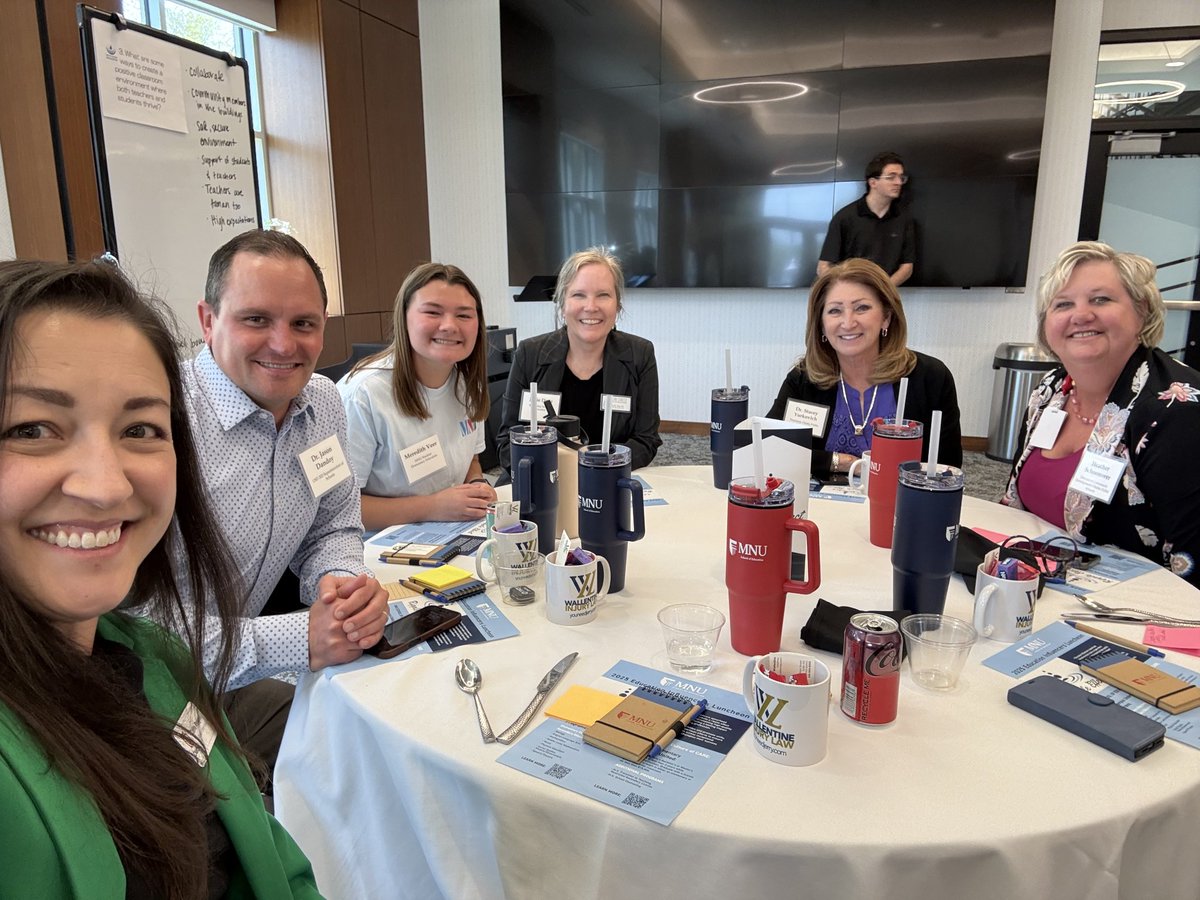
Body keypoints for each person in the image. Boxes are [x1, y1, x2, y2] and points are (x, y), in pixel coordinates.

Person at [0, 259, 320, 898]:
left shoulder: (153, 662)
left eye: (139, 429)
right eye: (31, 429)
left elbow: (273, 861)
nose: (105, 485)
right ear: (211, 323)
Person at [180, 229, 389, 770]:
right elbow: (131, 629)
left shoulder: (322, 402)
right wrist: (301, 637)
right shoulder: (163, 424)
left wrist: (338, 588)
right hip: (144, 699)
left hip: (232, 679)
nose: (283, 344)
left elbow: (334, 525)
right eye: (256, 319)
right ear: (208, 321)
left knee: (375, 741)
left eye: (303, 323)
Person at [1002, 242, 1200, 586]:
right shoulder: (1050, 390)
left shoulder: (1175, 409)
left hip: (1136, 614)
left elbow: (1191, 566)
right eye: (1063, 304)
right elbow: (1014, 505)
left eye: (1100, 299)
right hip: (1046, 586)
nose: (1080, 315)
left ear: (1142, 312)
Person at [767, 258, 961, 476]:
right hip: (823, 507)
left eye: (861, 308)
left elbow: (948, 469)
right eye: (835, 311)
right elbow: (770, 447)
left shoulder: (930, 378)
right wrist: (847, 464)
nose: (848, 322)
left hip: (903, 507)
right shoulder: (805, 379)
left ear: (886, 317)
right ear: (821, 323)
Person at [337, 263, 496, 530]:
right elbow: (339, 510)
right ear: (404, 317)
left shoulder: (466, 386)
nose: (449, 326)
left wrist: (477, 484)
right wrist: (433, 506)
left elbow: (472, 458)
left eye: (464, 315)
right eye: (433, 312)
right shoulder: (362, 396)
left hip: (449, 533)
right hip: (377, 550)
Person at [497, 247, 662, 471]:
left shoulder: (640, 354)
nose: (591, 307)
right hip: (544, 482)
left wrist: (597, 469)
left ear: (618, 305)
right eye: (578, 295)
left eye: (603, 295)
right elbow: (508, 443)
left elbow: (646, 440)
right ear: (562, 303)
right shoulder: (529, 354)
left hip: (609, 479)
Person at [818, 151, 915, 287]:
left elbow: (907, 267)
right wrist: (844, 292)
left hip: (884, 297)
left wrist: (883, 291)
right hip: (849, 297)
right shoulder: (845, 217)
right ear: (873, 182)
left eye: (901, 177)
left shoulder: (904, 219)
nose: (898, 182)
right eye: (891, 177)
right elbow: (824, 266)